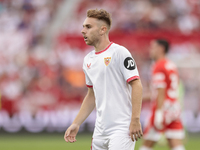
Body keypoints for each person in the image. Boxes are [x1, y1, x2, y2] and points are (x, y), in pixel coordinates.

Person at [64, 9, 143, 150]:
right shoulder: (88, 60)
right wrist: (76, 123)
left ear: (102, 30)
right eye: (83, 26)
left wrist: (135, 119)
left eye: (88, 27)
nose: (83, 31)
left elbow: (136, 84)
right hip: (100, 131)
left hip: (121, 129)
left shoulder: (120, 52)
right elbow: (91, 95)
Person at [139, 39, 185, 150]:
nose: (150, 50)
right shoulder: (171, 65)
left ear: (161, 49)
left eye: (153, 47)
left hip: (162, 106)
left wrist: (159, 112)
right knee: (175, 142)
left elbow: (161, 91)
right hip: (174, 107)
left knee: (147, 143)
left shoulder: (158, 66)